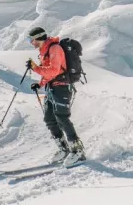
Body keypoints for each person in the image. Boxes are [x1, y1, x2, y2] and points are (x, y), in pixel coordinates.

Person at [26, 27, 86, 166]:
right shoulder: (45, 50)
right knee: (49, 119)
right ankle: (64, 149)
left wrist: (35, 68)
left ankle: (77, 151)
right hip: (51, 88)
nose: (31, 43)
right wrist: (40, 84)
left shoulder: (54, 49)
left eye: (31, 40)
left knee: (62, 118)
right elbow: (49, 73)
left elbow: (54, 71)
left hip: (61, 88)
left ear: (38, 37)